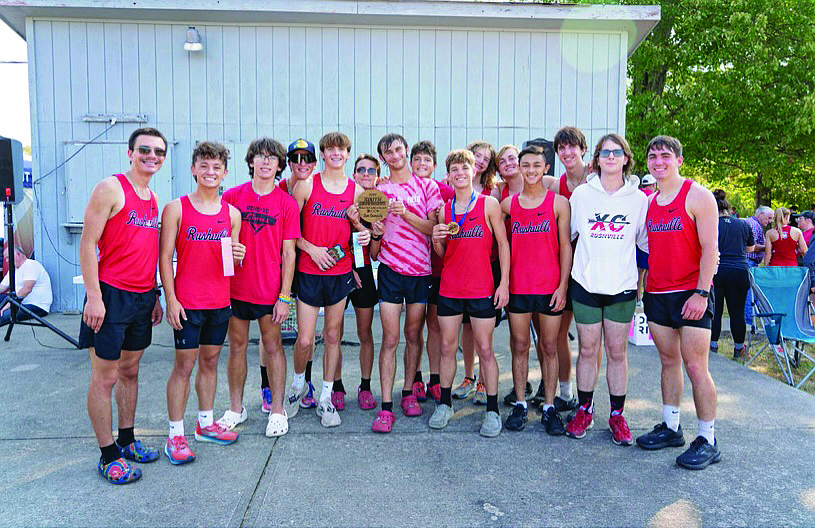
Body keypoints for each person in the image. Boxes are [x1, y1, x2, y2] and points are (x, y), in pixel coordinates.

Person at [79, 127, 166, 484]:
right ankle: (108, 454)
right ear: (130, 152)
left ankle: (127, 440)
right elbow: (87, 244)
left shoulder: (152, 197)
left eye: (159, 152)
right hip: (110, 295)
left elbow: (143, 250)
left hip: (142, 297)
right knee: (106, 376)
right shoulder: (111, 188)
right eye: (144, 150)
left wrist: (155, 295)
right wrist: (95, 297)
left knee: (130, 371)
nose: (152, 156)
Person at [637, 135, 721, 470]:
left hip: (692, 293)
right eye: (653, 156)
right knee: (668, 362)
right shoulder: (648, 201)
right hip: (658, 293)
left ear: (679, 160)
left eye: (665, 156)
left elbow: (711, 249)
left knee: (697, 366)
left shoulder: (697, 196)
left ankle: (708, 438)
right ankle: (671, 427)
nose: (659, 161)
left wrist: (702, 293)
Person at [160, 142, 245, 464]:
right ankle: (175, 434)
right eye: (204, 166)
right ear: (193, 169)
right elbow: (165, 258)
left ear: (225, 172)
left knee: (210, 363)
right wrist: (171, 299)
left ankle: (205, 424)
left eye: (217, 167)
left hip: (219, 302)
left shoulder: (231, 214)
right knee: (183, 366)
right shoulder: (177, 209)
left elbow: (231, 262)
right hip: (188, 303)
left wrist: (240, 256)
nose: (211, 173)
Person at [564, 133, 648, 445]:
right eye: (605, 152)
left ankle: (617, 415)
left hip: (622, 287)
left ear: (626, 159)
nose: (611, 157)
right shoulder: (582, 195)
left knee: (616, 351)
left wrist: (642, 281)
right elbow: (567, 238)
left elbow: (645, 245)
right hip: (586, 284)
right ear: (597, 159)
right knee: (587, 350)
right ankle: (584, 408)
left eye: (617, 152)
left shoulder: (639, 200)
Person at [218, 138, 300, 438]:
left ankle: (277, 410)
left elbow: (289, 253)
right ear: (251, 161)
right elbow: (218, 240)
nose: (265, 162)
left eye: (272, 158)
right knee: (236, 348)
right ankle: (236, 408)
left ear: (280, 165)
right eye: (260, 156)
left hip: (269, 290)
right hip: (236, 288)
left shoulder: (286, 203)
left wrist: (285, 295)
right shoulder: (232, 196)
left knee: (273, 347)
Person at [289, 131, 370, 428]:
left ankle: (325, 398)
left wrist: (360, 229)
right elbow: (289, 233)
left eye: (341, 149)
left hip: (339, 273)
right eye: (330, 149)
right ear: (323, 154)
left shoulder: (357, 191)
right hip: (310, 271)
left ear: (348, 154)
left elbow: (361, 237)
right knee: (306, 339)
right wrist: (312, 248)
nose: (336, 153)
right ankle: (298, 386)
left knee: (333, 336)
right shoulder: (307, 185)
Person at [430, 149, 509, 437]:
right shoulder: (444, 209)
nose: (460, 173)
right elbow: (444, 253)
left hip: (481, 288)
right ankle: (445, 403)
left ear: (474, 170)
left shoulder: (489, 204)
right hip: (450, 288)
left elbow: (503, 245)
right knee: (448, 347)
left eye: (465, 168)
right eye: (454, 169)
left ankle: (492, 410)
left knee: (486, 348)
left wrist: (504, 284)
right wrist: (438, 240)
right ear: (448, 175)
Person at [367, 133, 442, 433]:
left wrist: (406, 214)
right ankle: (386, 407)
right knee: (390, 338)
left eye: (398, 149)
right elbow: (373, 251)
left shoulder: (427, 185)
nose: (395, 155)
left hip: (420, 273)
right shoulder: (378, 189)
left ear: (406, 151)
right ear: (383, 157)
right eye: (388, 152)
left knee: (414, 335)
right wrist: (375, 230)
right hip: (389, 272)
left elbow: (433, 228)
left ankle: (409, 393)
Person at [501, 145, 571, 433]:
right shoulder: (508, 205)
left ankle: (550, 406)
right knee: (519, 345)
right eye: (525, 165)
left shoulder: (558, 203)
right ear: (519, 167)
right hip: (518, 286)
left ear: (546, 168)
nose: (530, 170)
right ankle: (520, 403)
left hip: (549, 286)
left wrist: (563, 286)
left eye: (536, 165)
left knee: (549, 346)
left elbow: (566, 246)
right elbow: (496, 241)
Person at [543, 125, 594, 416]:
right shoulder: (554, 184)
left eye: (572, 147)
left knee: (591, 340)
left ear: (583, 149)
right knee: (559, 334)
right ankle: (566, 392)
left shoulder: (599, 178)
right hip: (564, 269)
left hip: (593, 270)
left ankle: (590, 399)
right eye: (562, 148)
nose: (567, 152)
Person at [451, 140, 500, 403]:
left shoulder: (494, 191)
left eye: (485, 158)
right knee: (467, 329)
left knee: (485, 335)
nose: (480, 160)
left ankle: (484, 382)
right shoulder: (453, 188)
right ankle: (469, 377)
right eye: (476, 155)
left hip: (488, 265)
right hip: (461, 267)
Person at [278, 139, 320, 411]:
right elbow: (286, 235)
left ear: (315, 163)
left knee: (307, 335)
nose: (301, 164)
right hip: (281, 269)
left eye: (307, 158)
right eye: (296, 159)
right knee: (273, 332)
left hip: (310, 271)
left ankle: (305, 382)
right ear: (289, 164)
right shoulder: (279, 189)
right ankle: (268, 387)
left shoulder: (318, 187)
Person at [412, 141, 454, 404]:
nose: (422, 164)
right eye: (417, 159)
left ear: (435, 165)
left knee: (435, 327)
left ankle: (435, 379)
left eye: (427, 160)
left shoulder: (447, 191)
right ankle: (414, 377)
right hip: (413, 269)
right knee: (413, 328)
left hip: (440, 269)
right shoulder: (401, 189)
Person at [341, 154, 382, 410]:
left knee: (365, 333)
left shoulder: (378, 203)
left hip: (364, 270)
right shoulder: (343, 196)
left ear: (377, 175)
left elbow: (375, 254)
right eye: (360, 170)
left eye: (370, 170)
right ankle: (335, 386)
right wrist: (347, 268)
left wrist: (374, 233)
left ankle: (365, 386)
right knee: (333, 334)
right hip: (339, 270)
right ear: (353, 173)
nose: (365, 174)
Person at [708, 191, 754, 359]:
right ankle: (738, 348)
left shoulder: (711, 224)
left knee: (716, 310)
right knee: (737, 312)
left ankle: (713, 346)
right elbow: (750, 248)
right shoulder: (743, 224)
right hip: (739, 271)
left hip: (717, 270)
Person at [0, 246, 52, 325]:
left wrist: (7, 306)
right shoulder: (13, 269)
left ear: (18, 254)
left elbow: (26, 289)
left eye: (8, 257)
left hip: (36, 306)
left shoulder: (30, 265)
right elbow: (2, 287)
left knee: (5, 315)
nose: (7, 261)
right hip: (20, 303)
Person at [744, 206, 773, 329]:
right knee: (749, 294)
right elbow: (751, 246)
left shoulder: (750, 223)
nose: (770, 221)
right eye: (769, 217)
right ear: (761, 214)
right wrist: (768, 247)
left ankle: (748, 320)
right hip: (749, 261)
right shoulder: (754, 225)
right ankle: (749, 322)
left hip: (747, 262)